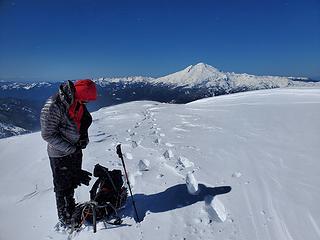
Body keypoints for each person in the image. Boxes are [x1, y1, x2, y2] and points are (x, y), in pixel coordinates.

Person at [40, 79, 97, 228]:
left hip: (74, 150)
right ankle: (65, 220)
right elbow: (48, 135)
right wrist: (71, 149)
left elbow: (82, 122)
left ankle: (70, 208)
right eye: (87, 100)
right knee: (62, 187)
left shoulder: (77, 102)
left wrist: (83, 139)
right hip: (59, 154)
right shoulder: (54, 105)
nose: (87, 103)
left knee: (72, 181)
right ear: (80, 94)